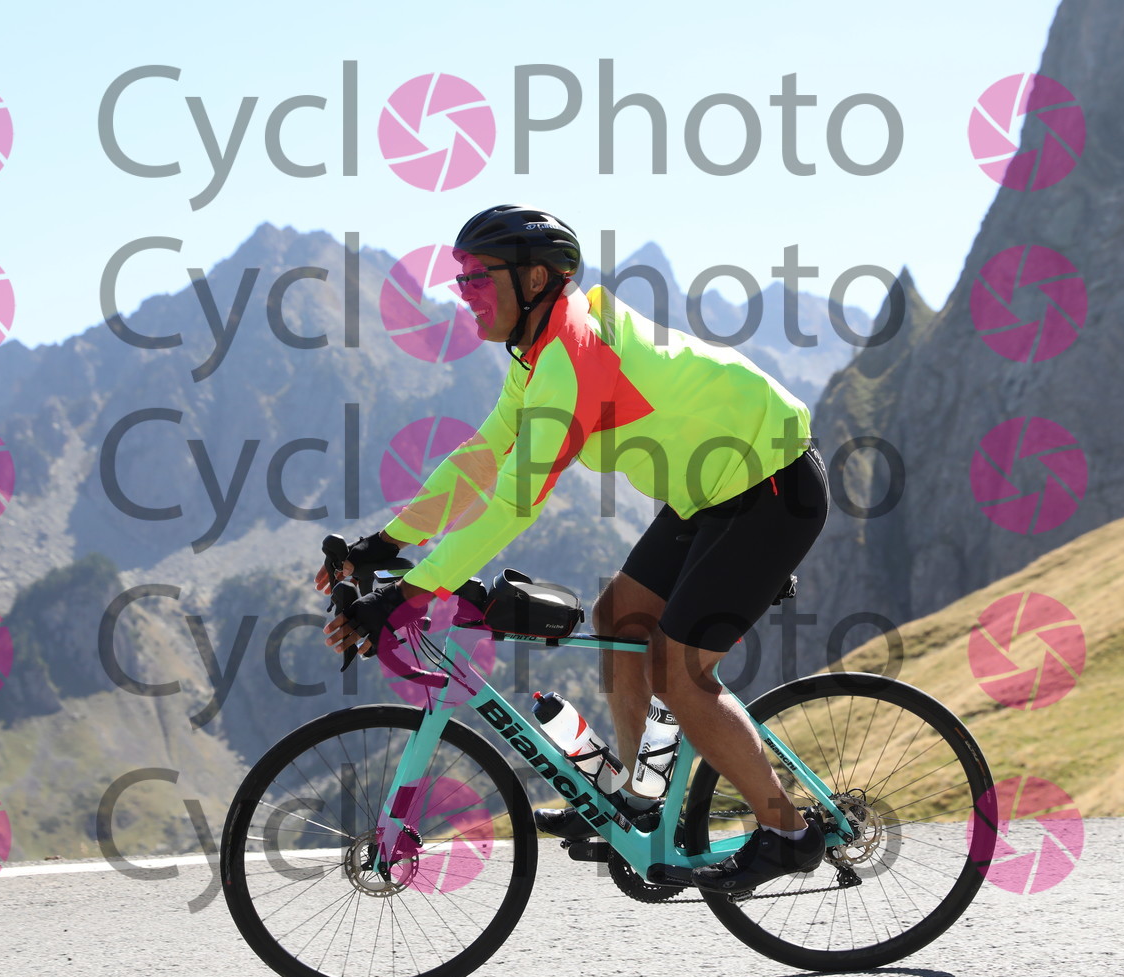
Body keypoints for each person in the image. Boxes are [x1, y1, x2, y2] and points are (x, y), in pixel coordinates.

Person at [319, 204, 831, 893]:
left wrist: (408, 594)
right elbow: (482, 457)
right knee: (621, 615)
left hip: (773, 484)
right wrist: (383, 544)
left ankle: (789, 834)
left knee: (678, 672)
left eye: (477, 276)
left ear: (533, 279)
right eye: (460, 277)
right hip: (711, 494)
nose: (464, 291)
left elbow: (514, 500)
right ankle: (640, 800)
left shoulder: (571, 357)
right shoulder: (538, 352)